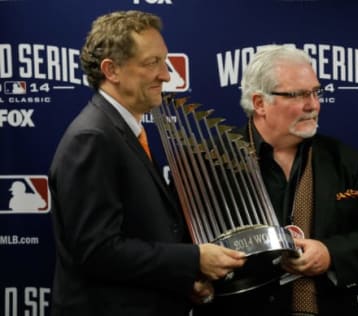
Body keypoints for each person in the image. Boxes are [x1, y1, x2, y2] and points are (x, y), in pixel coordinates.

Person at [48, 10, 246, 316]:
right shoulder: (92, 138)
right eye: (152, 63)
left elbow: (140, 233)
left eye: (164, 62)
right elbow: (97, 252)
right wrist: (194, 260)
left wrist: (182, 282)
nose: (166, 75)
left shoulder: (120, 129)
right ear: (111, 70)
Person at [193, 45, 358, 315]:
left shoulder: (344, 159)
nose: (313, 104)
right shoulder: (207, 162)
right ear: (260, 103)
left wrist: (329, 253)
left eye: (315, 92)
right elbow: (182, 250)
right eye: (297, 95)